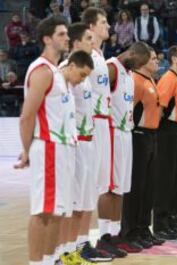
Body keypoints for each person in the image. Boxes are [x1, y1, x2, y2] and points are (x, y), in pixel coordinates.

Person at [14, 16, 91, 265]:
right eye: (61, 34)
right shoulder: (41, 71)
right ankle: (38, 262)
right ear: (47, 39)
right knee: (43, 212)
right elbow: (27, 116)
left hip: (64, 148)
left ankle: (51, 259)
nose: (67, 38)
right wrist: (26, 151)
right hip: (48, 146)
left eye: (66, 34)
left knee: (58, 211)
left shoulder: (59, 73)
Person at [56, 22, 113, 264]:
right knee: (72, 201)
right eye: (88, 38)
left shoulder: (86, 74)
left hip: (90, 140)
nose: (93, 42)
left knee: (87, 198)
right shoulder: (64, 72)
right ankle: (64, 250)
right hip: (75, 143)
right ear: (76, 42)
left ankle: (80, 246)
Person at [82, 7, 127, 258]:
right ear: (90, 27)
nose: (109, 26)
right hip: (92, 124)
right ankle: (81, 243)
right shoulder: (86, 55)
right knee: (91, 186)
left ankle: (105, 235)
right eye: (103, 23)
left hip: (104, 122)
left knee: (105, 182)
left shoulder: (100, 54)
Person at [121, 45, 163, 247]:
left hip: (152, 136)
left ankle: (144, 227)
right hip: (139, 136)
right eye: (153, 58)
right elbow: (129, 111)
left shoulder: (151, 81)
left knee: (150, 185)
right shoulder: (136, 81)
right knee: (136, 186)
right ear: (143, 60)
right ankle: (130, 230)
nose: (157, 61)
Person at [153, 45, 177, 238]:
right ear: (174, 59)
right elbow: (160, 109)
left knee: (174, 178)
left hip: (176, 131)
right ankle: (160, 224)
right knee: (165, 180)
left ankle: (169, 219)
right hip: (167, 133)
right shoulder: (168, 79)